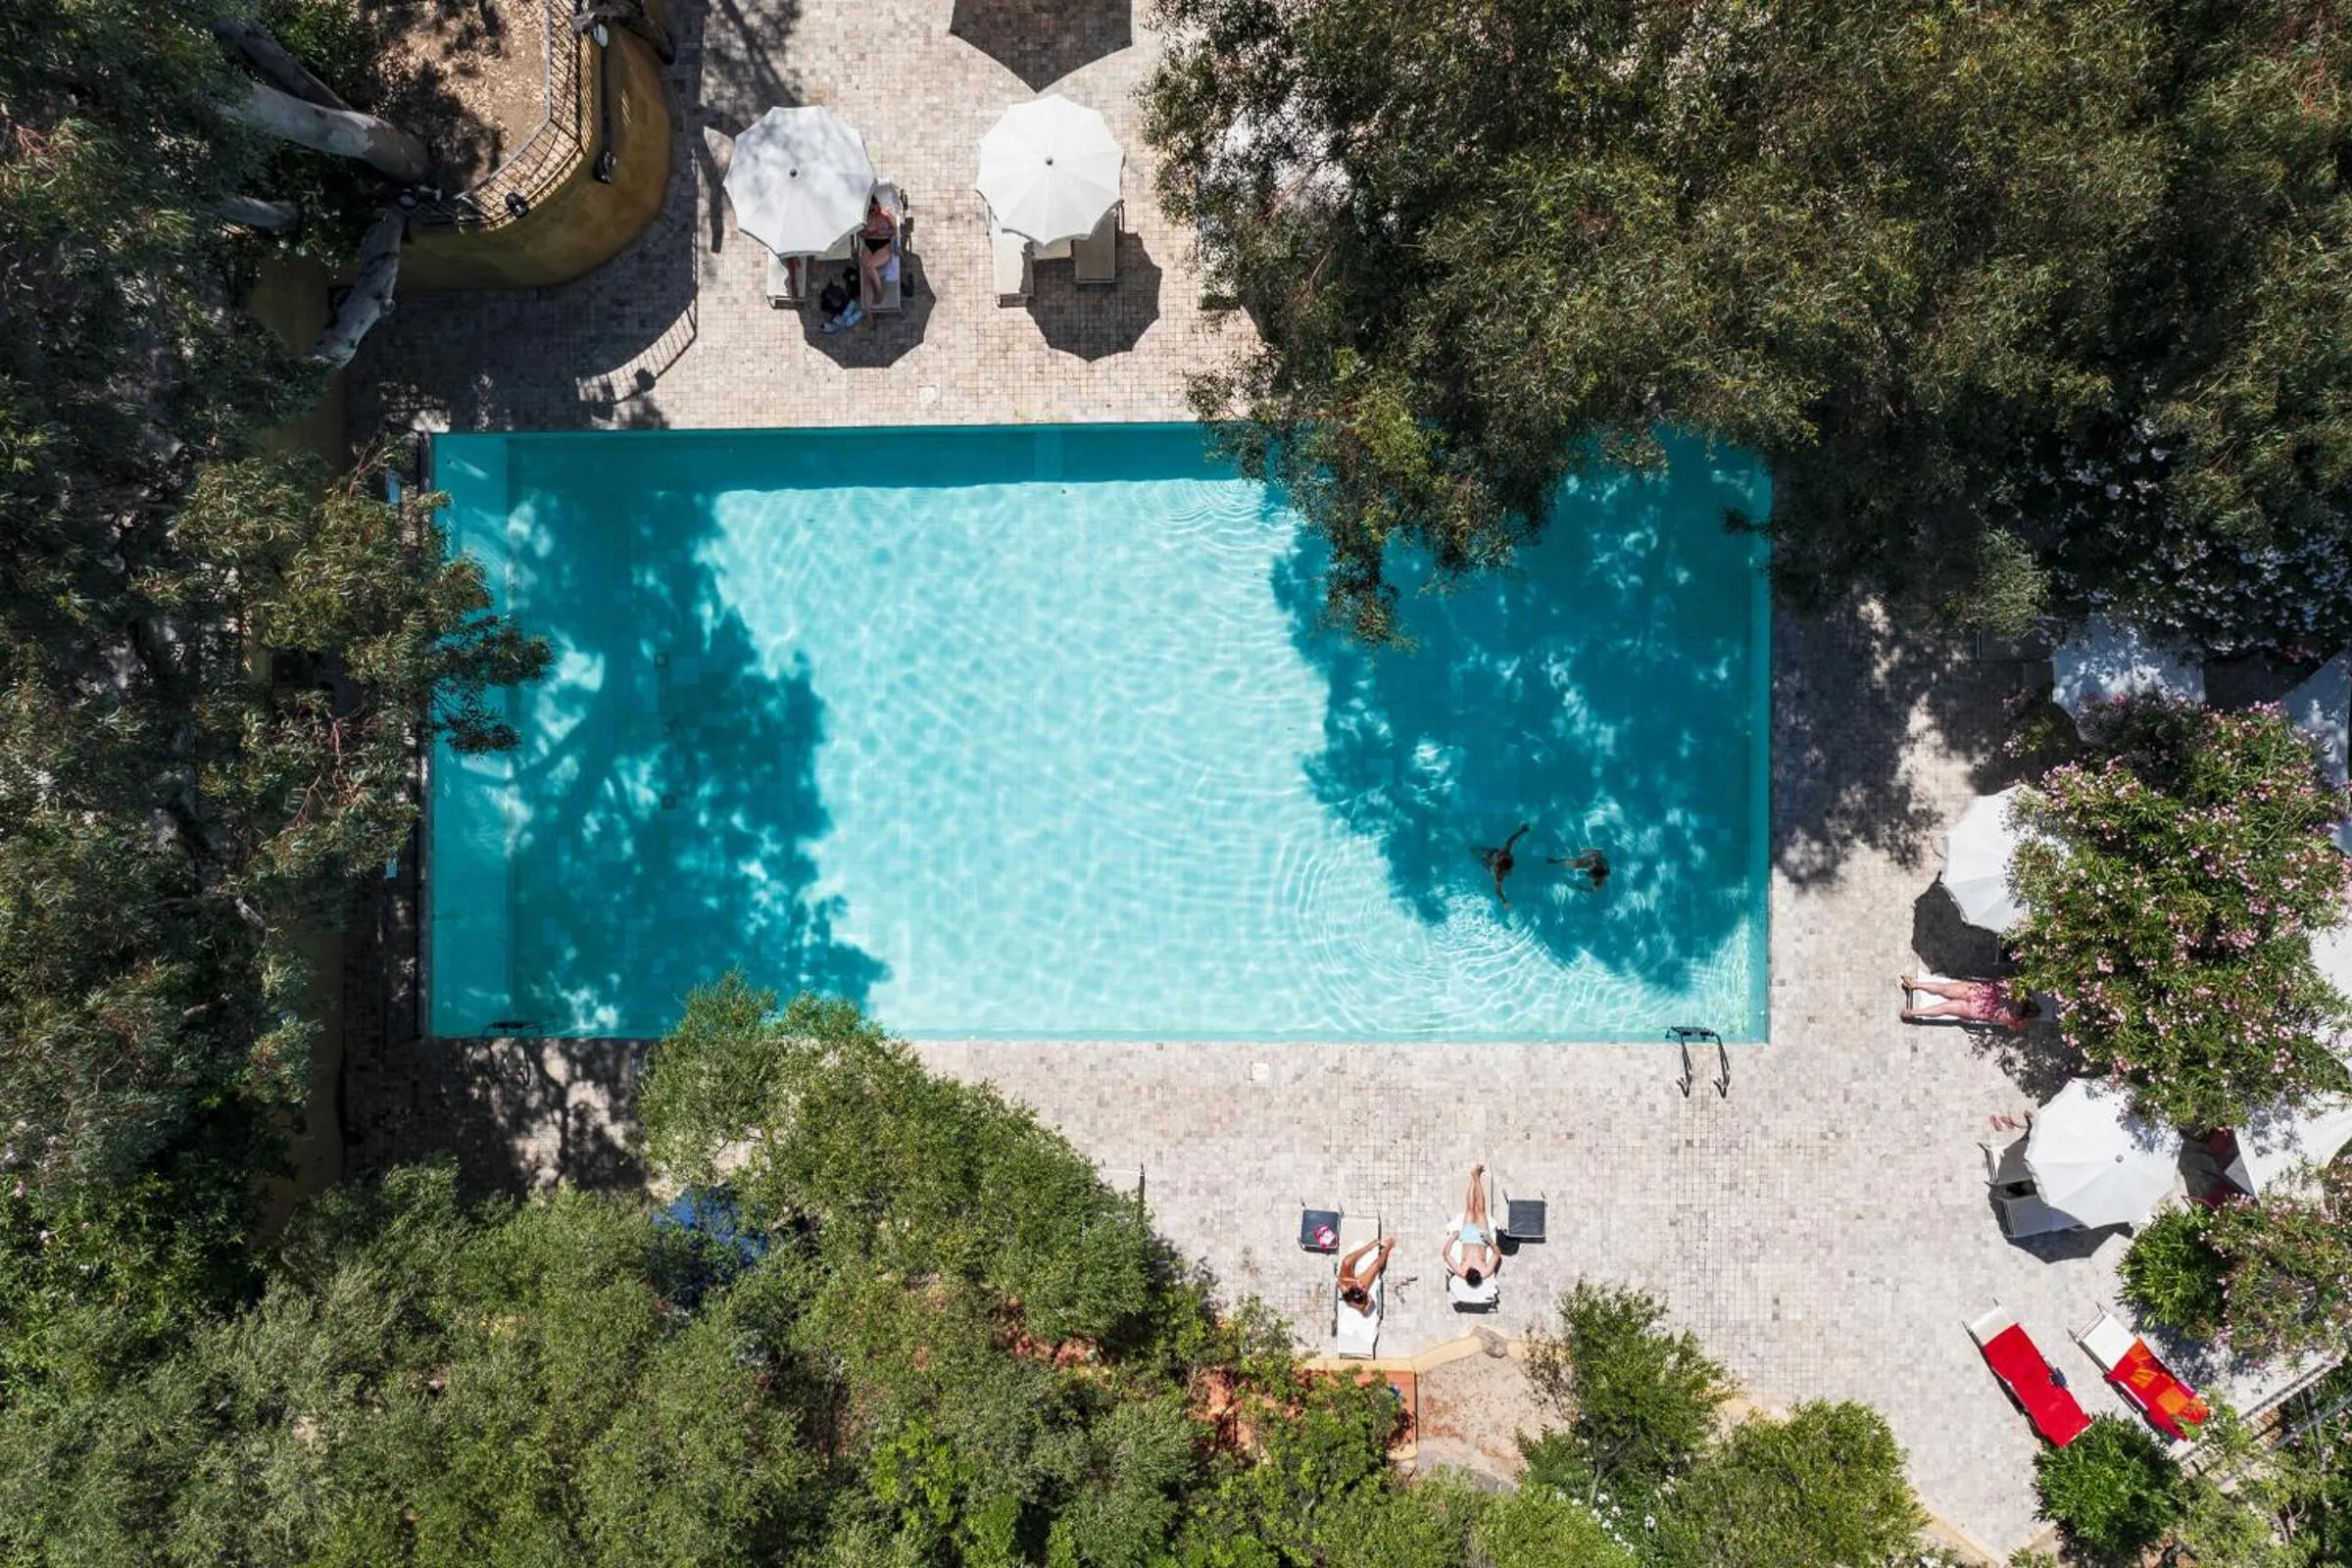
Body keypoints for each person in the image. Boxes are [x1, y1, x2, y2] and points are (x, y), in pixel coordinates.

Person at [1901, 975, 2040, 1033]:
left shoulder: (2017, 992)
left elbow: (2004, 980)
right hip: (1979, 1007)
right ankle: (1912, 1012)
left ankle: (1916, 985)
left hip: (1978, 993)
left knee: (1945, 991)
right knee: (1945, 1007)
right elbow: (2012, 1027)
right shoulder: (2017, 1020)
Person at [1443, 1163, 1500, 1289]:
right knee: (1480, 1209)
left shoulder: (1461, 1272)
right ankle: (1476, 1178)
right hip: (1481, 1239)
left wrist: (1453, 1237)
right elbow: (1497, 1254)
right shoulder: (1485, 1272)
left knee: (1469, 1208)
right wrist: (1489, 1240)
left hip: (1467, 1237)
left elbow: (1446, 1255)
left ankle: (1473, 1176)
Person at [855, 192, 900, 312]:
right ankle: (869, 313)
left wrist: (882, 232)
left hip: (884, 244)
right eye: (869, 210)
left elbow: (895, 231)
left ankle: (879, 291)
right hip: (869, 244)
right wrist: (868, 233)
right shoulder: (865, 217)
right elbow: (859, 234)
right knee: (866, 273)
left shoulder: (885, 214)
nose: (872, 212)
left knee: (870, 266)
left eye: (874, 209)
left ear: (877, 204)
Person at [1475, 824, 1531, 907]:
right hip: (1491, 859)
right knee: (1483, 856)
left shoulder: (1504, 856)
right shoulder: (1500, 870)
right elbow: (1497, 891)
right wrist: (1504, 901)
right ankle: (1477, 853)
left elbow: (1510, 840)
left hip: (1491, 859)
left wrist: (1521, 831)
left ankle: (1478, 853)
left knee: (1484, 856)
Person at [1338, 1235, 1396, 1314]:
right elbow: (1363, 1311)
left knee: (1346, 1262)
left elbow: (1339, 1279)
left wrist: (1354, 1280)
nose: (1363, 1286)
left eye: (1362, 1287)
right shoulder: (1358, 1303)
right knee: (1376, 1265)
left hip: (1350, 1280)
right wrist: (1370, 1302)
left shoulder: (1345, 1288)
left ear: (1353, 1288)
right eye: (1364, 1289)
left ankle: (1369, 1247)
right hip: (1356, 1288)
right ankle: (1388, 1247)